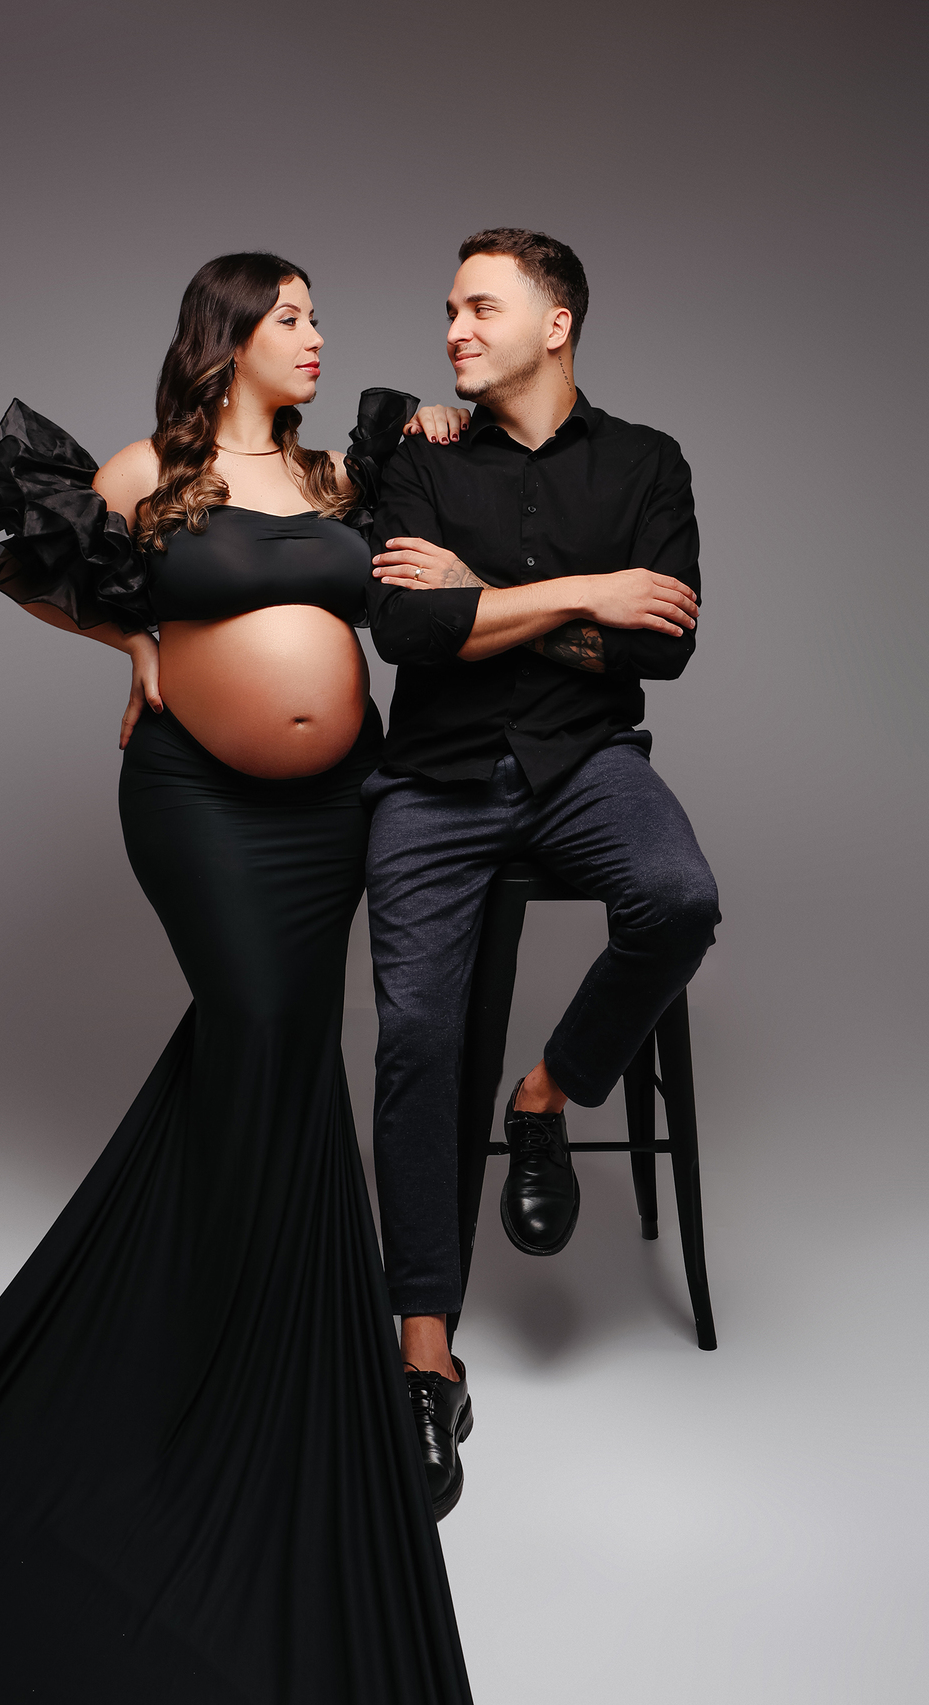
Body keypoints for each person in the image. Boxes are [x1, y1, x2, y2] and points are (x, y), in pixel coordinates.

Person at [0, 253, 474, 1704]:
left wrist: (435, 436)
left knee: (280, 1046)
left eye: (318, 316)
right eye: (291, 316)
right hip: (198, 803)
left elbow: (413, 587)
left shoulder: (342, 477)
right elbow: (34, 564)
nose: (317, 335)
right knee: (261, 1022)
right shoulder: (151, 474)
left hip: (335, 813)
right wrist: (133, 638)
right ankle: (233, 1356)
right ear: (229, 337)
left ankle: (262, 1330)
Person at [362, 228, 721, 1518]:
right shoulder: (418, 458)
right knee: (414, 1033)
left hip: (585, 766)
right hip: (433, 779)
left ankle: (545, 1093)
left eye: (480, 308)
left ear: (555, 324)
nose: (454, 331)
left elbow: (662, 649)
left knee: (678, 897)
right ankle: (426, 1357)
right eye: (449, 310)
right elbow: (408, 627)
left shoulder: (648, 462)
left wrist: (489, 599)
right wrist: (586, 595)